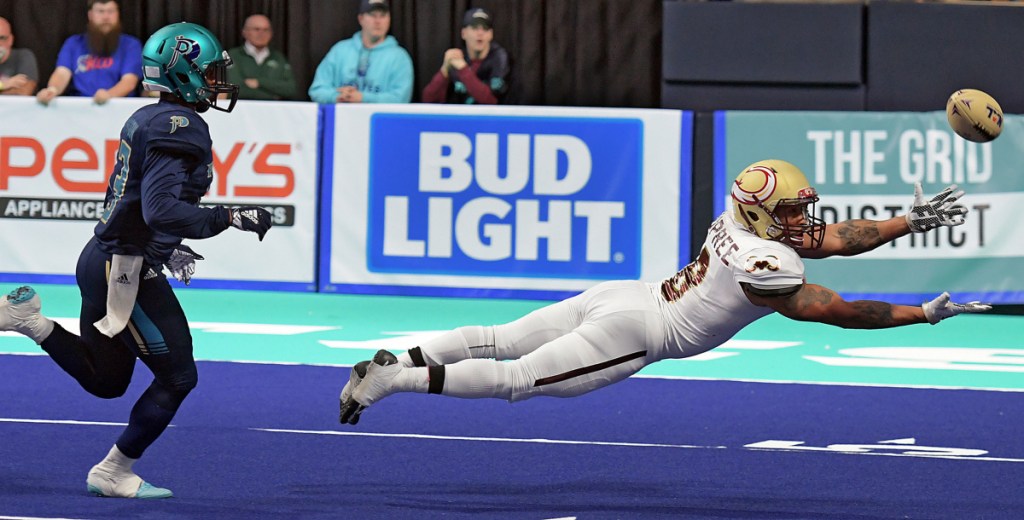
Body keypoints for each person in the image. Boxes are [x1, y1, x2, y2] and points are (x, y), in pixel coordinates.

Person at [338, 159, 991, 425]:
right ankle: (395, 383)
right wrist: (919, 314)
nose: (804, 220)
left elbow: (842, 237)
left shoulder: (739, 221)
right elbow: (840, 312)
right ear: (768, 217)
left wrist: (911, 221)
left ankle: (403, 354)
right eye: (792, 211)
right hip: (639, 332)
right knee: (518, 378)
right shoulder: (769, 262)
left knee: (498, 336)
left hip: (625, 295)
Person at [0, 22, 274, 498]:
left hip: (104, 257)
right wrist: (227, 216)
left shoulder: (153, 116)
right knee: (180, 376)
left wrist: (167, 245)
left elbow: (142, 204)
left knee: (107, 382)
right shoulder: (182, 125)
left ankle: (29, 322)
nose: (215, 80)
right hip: (123, 269)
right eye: (207, 71)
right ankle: (113, 471)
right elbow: (161, 207)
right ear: (183, 73)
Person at [35, 0, 141, 106]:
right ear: (90, 15)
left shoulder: (131, 45)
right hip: (78, 108)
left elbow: (129, 81)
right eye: (100, 11)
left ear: (118, 14)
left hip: (118, 107)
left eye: (111, 11)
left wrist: (109, 95)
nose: (106, 17)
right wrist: (53, 90)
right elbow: (62, 73)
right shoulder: (74, 43)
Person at [307, 0, 413, 104]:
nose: (378, 21)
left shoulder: (400, 57)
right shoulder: (340, 51)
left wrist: (362, 98)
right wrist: (338, 96)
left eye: (383, 16)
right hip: (342, 119)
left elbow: (400, 98)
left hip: (378, 120)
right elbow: (317, 90)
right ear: (361, 19)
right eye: (372, 15)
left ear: (389, 19)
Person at [421, 7, 514, 105]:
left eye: (485, 28)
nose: (480, 33)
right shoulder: (458, 57)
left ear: (491, 34)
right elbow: (428, 100)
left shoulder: (499, 57)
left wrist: (463, 69)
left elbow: (491, 101)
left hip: (490, 119)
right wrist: (444, 70)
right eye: (474, 28)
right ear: (463, 33)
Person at [226, 14, 298, 101]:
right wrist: (273, 95)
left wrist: (259, 82)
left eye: (266, 30)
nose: (261, 34)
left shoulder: (278, 58)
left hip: (273, 111)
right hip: (242, 111)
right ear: (244, 32)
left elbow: (290, 89)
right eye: (256, 29)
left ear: (271, 34)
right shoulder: (233, 55)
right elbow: (232, 89)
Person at [0, 16, 39, 96]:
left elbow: (23, 93)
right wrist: (5, 85)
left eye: (1, 38)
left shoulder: (23, 56)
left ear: (10, 40)